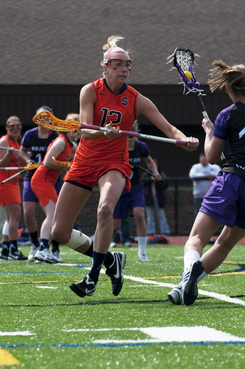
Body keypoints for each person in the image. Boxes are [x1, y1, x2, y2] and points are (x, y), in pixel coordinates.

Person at [51, 34, 199, 299]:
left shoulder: (136, 99)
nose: (124, 68)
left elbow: (169, 128)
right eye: (118, 63)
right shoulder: (90, 91)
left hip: (114, 163)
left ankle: (92, 276)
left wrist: (184, 139)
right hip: (85, 160)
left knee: (106, 208)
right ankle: (111, 261)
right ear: (106, 67)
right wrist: (103, 133)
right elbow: (86, 131)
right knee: (59, 232)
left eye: (128, 64)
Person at [167, 60, 245, 306]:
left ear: (228, 89)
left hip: (232, 181)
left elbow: (211, 157)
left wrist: (209, 132)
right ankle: (182, 289)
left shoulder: (227, 114)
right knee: (224, 243)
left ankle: (189, 272)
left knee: (197, 238)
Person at [31, 113, 79, 263]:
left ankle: (44, 250)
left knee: (55, 216)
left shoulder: (73, 146)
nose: (79, 131)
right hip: (42, 179)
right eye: (76, 127)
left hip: (50, 181)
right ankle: (43, 249)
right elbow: (47, 163)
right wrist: (65, 165)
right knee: (52, 215)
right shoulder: (61, 142)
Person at [112, 121, 161, 262]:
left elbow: (150, 162)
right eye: (128, 129)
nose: (131, 132)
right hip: (120, 186)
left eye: (133, 129)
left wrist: (155, 173)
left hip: (135, 187)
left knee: (139, 215)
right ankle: (104, 250)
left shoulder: (141, 147)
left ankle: (142, 253)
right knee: (115, 225)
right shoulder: (118, 146)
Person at [20, 106, 62, 262]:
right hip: (32, 176)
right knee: (28, 212)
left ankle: (55, 248)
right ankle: (36, 245)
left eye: (45, 117)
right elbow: (23, 151)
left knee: (54, 214)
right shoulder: (30, 134)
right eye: (39, 117)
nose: (42, 121)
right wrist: (27, 160)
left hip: (52, 178)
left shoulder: (56, 136)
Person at [0, 116, 27, 260]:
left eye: (18, 126)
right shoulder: (5, 141)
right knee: (15, 215)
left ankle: (5, 250)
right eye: (12, 126)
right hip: (5, 181)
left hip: (14, 182)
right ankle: (14, 250)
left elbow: (20, 163)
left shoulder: (19, 142)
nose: (15, 129)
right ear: (7, 128)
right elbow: (1, 164)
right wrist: (9, 154)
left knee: (11, 217)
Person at [142, 159, 171, 237]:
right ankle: (150, 232)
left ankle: (165, 231)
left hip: (159, 198)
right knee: (150, 216)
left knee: (161, 215)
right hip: (148, 198)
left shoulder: (162, 175)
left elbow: (165, 185)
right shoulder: (146, 174)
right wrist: (150, 180)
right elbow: (142, 183)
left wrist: (159, 180)